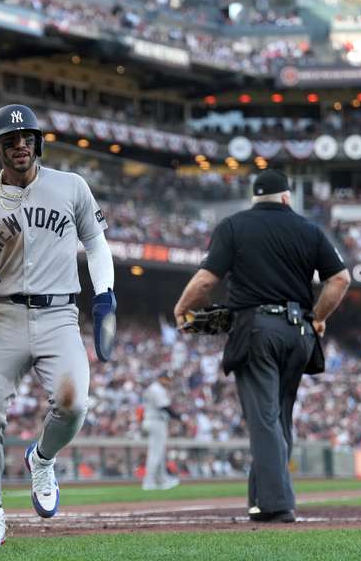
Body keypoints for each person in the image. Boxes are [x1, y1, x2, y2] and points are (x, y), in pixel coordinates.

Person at [0, 103, 116, 546]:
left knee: (74, 404)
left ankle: (41, 458)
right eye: (11, 140)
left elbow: (96, 243)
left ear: (38, 142)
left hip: (60, 313)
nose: (21, 145)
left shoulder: (71, 186)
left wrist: (104, 292)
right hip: (3, 313)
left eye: (28, 137)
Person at [173, 169, 350, 523]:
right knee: (279, 418)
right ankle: (260, 500)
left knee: (264, 419)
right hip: (298, 333)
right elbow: (340, 279)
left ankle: (277, 503)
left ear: (254, 198)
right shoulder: (309, 230)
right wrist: (317, 317)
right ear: (286, 197)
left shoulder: (234, 226)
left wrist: (182, 309)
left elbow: (207, 279)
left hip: (257, 330)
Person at [141, 371, 181, 491]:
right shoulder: (156, 388)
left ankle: (162, 479)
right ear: (160, 378)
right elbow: (164, 406)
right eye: (166, 379)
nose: (168, 381)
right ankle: (148, 482)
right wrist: (178, 417)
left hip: (152, 420)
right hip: (156, 421)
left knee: (159, 453)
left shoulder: (155, 388)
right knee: (155, 453)